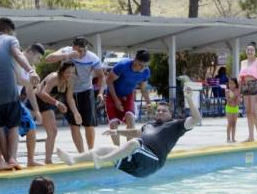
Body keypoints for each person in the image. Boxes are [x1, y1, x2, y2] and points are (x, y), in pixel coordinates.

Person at [57, 87, 201, 178]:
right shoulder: (149, 124)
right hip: (137, 165)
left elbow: (196, 119)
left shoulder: (176, 125)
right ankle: (73, 160)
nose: (161, 112)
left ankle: (102, 161)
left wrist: (189, 99)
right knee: (105, 148)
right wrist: (118, 133)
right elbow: (137, 132)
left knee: (134, 143)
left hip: (152, 162)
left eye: (164, 111)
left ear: (171, 114)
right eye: (159, 110)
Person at [0, 17, 39, 169]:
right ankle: (12, 159)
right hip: (8, 91)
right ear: (8, 30)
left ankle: (4, 161)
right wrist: (31, 71)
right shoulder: (10, 40)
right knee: (13, 125)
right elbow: (18, 55)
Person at [46, 37, 104, 152]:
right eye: (78, 51)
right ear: (73, 48)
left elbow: (101, 77)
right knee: (74, 124)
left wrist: (101, 93)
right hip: (68, 90)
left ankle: (91, 151)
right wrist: (67, 56)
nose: (81, 54)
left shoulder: (93, 58)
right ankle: (81, 153)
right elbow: (48, 59)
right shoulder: (66, 51)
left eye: (84, 51)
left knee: (89, 124)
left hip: (86, 90)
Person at [0, 43, 46, 167]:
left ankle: (30, 160)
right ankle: (9, 160)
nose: (38, 61)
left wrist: (36, 110)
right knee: (5, 131)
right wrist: (33, 82)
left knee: (31, 127)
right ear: (30, 52)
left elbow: (30, 91)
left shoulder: (32, 68)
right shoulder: (15, 59)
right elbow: (18, 80)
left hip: (16, 102)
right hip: (3, 100)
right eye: (37, 58)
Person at [26, 61, 81, 164]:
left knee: (53, 131)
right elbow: (42, 93)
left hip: (48, 103)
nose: (70, 74)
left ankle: (48, 160)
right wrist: (57, 103)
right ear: (61, 71)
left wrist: (76, 112)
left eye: (72, 72)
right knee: (23, 129)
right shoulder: (54, 77)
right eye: (67, 72)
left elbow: (70, 99)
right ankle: (19, 159)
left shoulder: (70, 81)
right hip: (35, 101)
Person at [106, 50, 151, 145]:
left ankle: (130, 148)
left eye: (145, 66)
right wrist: (116, 100)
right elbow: (109, 81)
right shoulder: (122, 66)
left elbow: (143, 87)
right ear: (135, 60)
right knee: (113, 124)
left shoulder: (146, 72)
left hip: (128, 95)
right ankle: (117, 149)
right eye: (140, 65)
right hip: (112, 95)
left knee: (130, 119)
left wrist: (148, 103)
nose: (142, 68)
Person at [239, 42, 257, 142]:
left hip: (254, 85)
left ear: (255, 51)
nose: (249, 51)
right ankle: (251, 136)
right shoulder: (243, 62)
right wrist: (240, 92)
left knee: (254, 112)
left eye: (251, 50)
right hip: (245, 86)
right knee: (248, 112)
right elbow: (241, 78)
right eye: (248, 49)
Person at [225, 78, 240, 143]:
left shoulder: (237, 91)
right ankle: (228, 138)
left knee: (234, 123)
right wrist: (234, 97)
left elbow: (238, 102)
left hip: (235, 108)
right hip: (229, 108)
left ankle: (233, 138)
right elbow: (228, 101)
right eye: (230, 83)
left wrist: (237, 98)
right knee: (229, 123)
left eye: (233, 83)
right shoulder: (227, 91)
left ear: (236, 84)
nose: (231, 85)